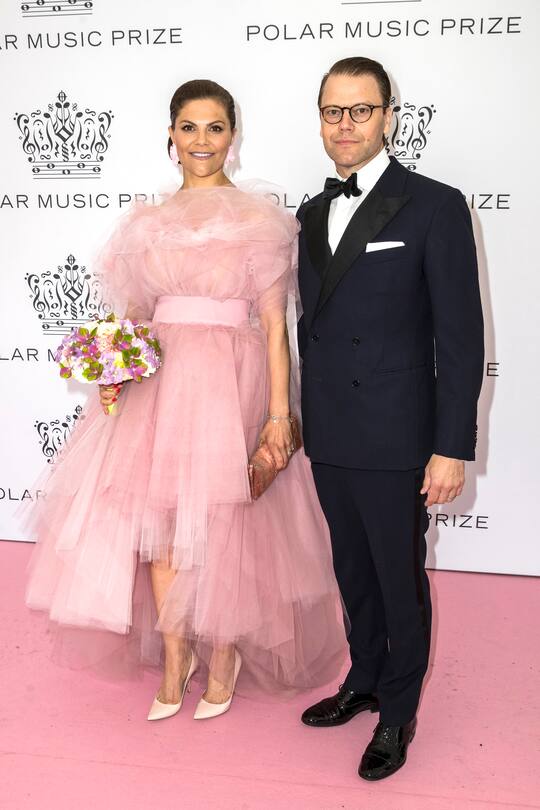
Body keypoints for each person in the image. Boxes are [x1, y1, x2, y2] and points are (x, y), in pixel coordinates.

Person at [25, 79, 345, 720]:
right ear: (170, 135)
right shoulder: (145, 224)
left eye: (215, 127)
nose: (202, 140)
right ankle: (177, 658)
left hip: (232, 383)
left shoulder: (261, 221)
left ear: (233, 135)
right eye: (189, 127)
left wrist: (278, 416)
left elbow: (274, 327)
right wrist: (112, 368)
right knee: (160, 531)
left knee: (226, 526)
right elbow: (132, 320)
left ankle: (223, 654)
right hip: (161, 387)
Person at [297, 57, 484, 779]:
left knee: (399, 581)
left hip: (397, 433)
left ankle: (399, 712)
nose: (345, 125)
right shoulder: (310, 213)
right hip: (331, 431)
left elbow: (460, 340)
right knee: (352, 571)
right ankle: (365, 678)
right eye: (333, 111)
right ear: (320, 120)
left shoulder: (435, 205)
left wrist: (451, 446)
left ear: (388, 117)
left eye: (361, 110)